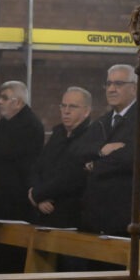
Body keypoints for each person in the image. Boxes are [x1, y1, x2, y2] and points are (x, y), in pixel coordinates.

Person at [80, 64, 140, 267]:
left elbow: (131, 158)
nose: (111, 89)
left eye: (118, 83)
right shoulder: (103, 121)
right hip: (98, 219)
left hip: (127, 218)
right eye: (109, 83)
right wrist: (102, 150)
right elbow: (78, 151)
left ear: (135, 88)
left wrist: (95, 165)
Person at [0, 81, 45, 272]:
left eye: (4, 98)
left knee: (9, 258)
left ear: (18, 102)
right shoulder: (4, 123)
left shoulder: (30, 125)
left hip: (14, 203)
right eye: (0, 97)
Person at [28, 87, 92, 229]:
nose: (66, 111)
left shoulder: (90, 137)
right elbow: (38, 166)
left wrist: (37, 194)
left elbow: (71, 177)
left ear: (86, 111)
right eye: (63, 106)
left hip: (70, 214)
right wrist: (37, 194)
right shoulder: (58, 134)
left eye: (73, 106)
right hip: (43, 211)